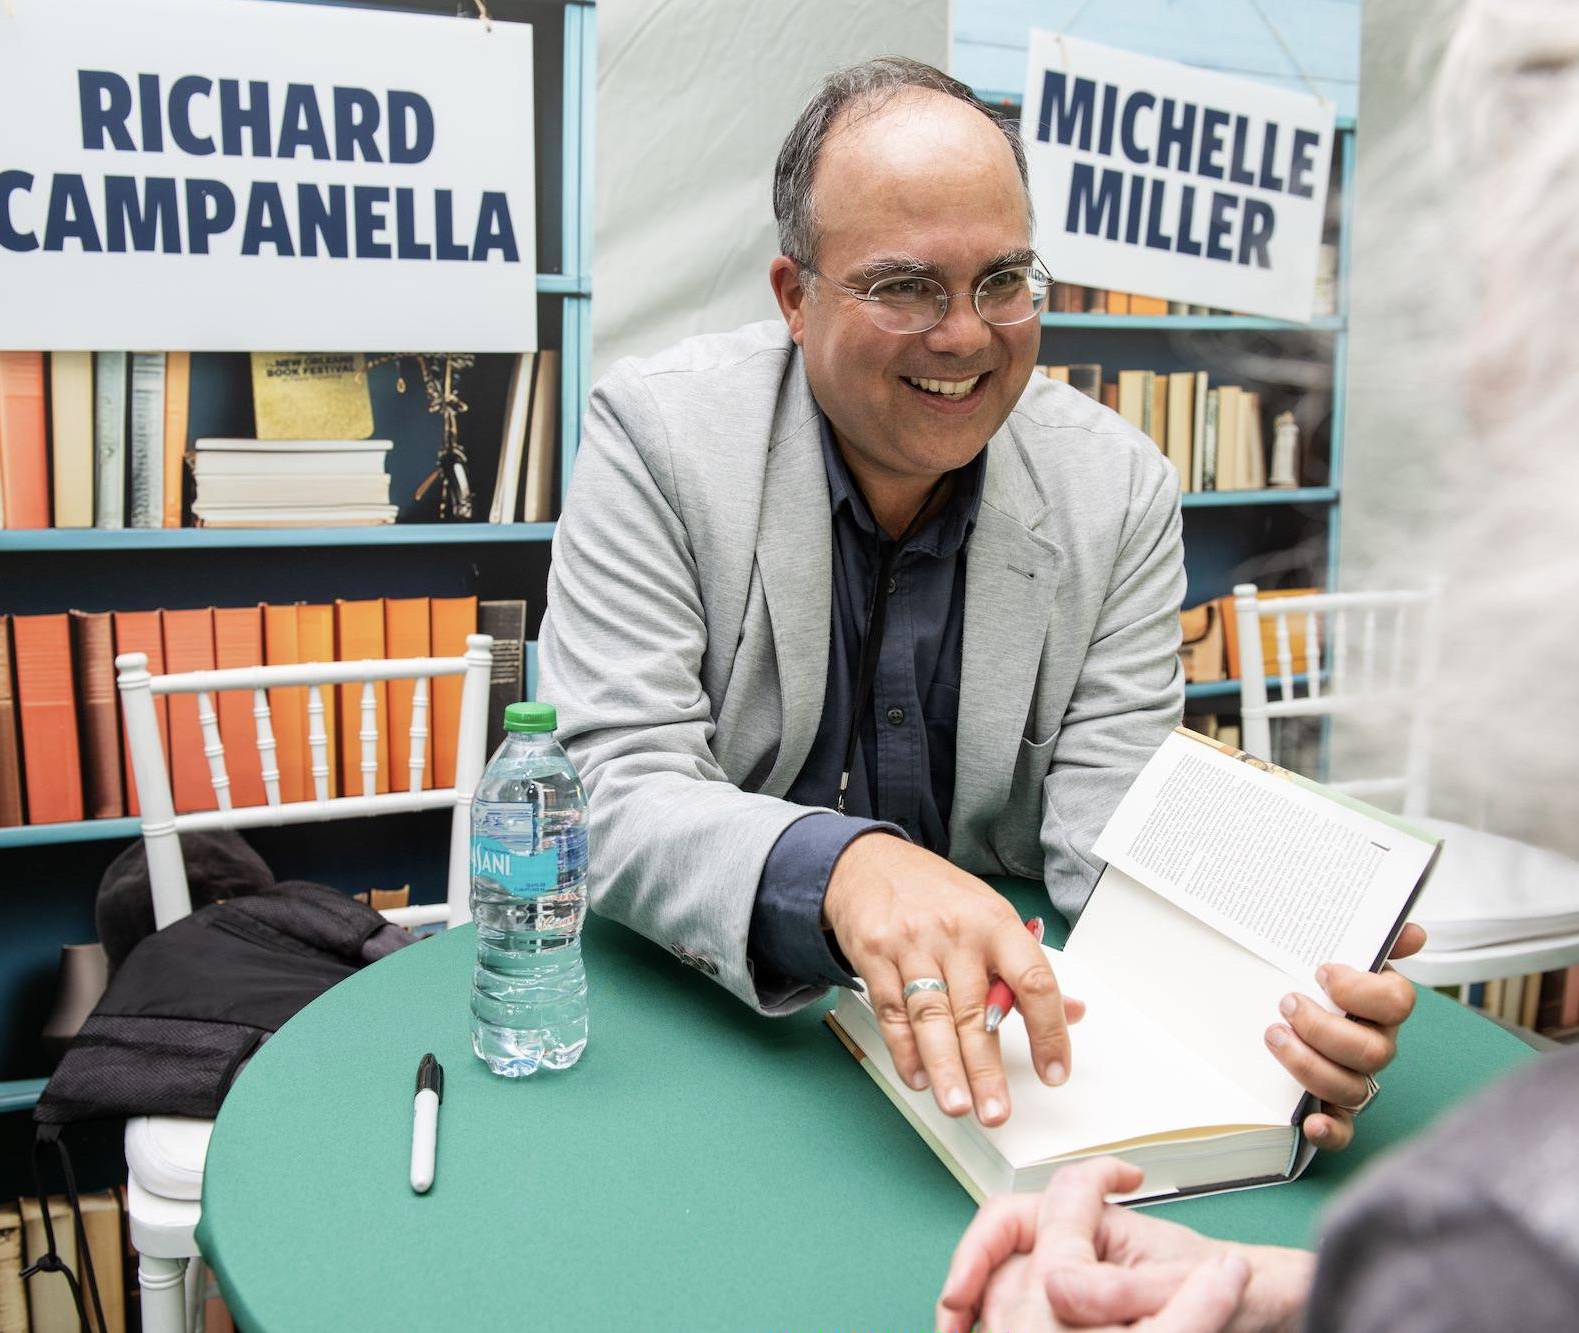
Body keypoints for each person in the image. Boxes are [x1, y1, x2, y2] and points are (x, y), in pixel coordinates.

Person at [936, 0, 1579, 1328]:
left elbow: (1107, 803)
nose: (1486, 372)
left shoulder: (1530, 1241)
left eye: (1552, 254)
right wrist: (1305, 1294)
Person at [537, 56, 1416, 1140]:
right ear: (793, 298)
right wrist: (848, 870)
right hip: (698, 1039)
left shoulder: (1118, 487)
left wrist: (1272, 991)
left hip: (1006, 1045)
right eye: (904, 286)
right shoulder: (658, 436)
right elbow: (611, 783)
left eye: (1001, 280)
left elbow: (1111, 821)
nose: (964, 336)